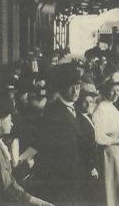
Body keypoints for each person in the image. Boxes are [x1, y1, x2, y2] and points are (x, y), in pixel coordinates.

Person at [0, 101, 53, 206]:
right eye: (10, 120)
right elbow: (7, 185)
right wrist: (35, 201)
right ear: (0, 122)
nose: (12, 124)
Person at [32, 63, 85, 204]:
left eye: (78, 87)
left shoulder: (74, 108)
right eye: (71, 86)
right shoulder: (54, 112)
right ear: (61, 87)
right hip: (60, 179)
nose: (76, 91)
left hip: (74, 176)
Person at [92, 72, 119, 206]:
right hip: (109, 153)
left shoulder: (112, 106)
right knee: (113, 186)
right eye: (113, 90)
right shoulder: (101, 108)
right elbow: (99, 137)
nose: (116, 93)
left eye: (118, 90)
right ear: (106, 89)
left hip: (118, 152)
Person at [75, 81, 101, 202]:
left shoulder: (89, 117)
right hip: (86, 165)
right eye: (85, 101)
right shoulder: (79, 119)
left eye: (91, 102)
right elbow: (84, 146)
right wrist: (91, 167)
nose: (88, 104)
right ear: (79, 102)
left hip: (93, 160)